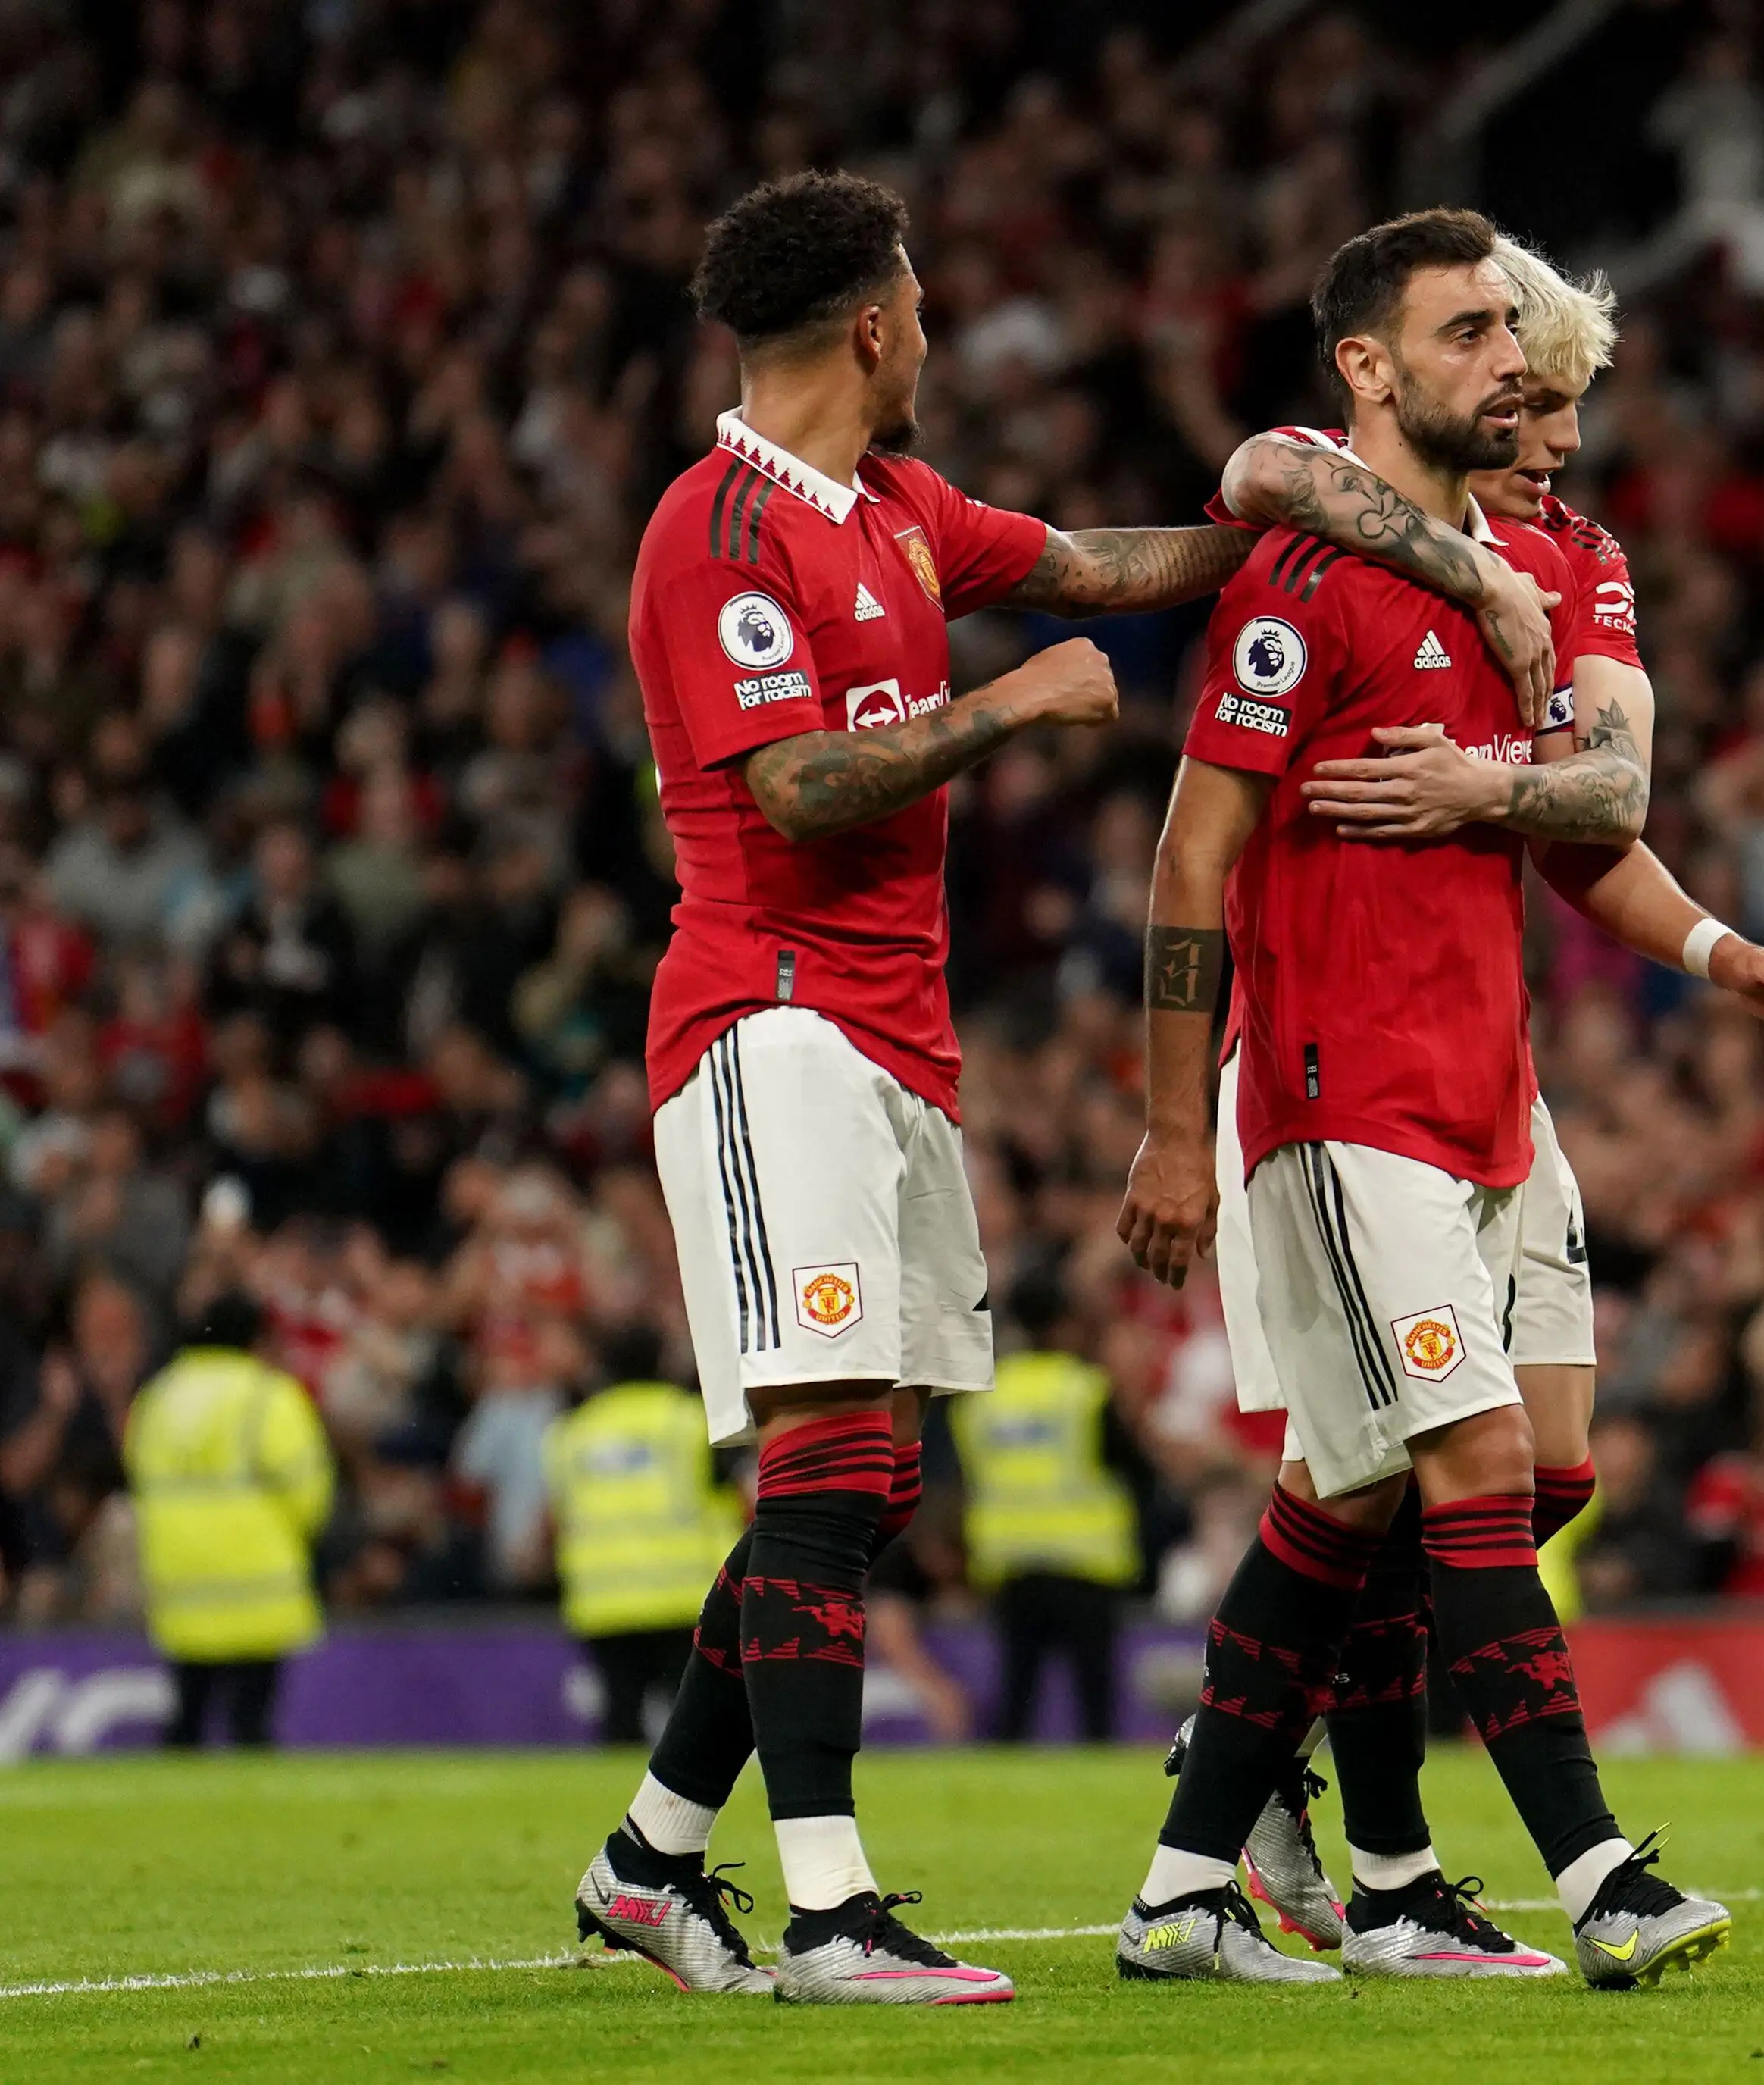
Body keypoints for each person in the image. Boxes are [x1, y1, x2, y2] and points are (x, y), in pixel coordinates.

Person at [568, 168, 1253, 2006]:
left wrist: (1269, 520)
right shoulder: (713, 530)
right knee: (823, 1455)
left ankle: (648, 1862)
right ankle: (827, 1911)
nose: (935, 331)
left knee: (863, 1469)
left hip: (894, 1044)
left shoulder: (895, 508)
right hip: (766, 1021)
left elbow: (1101, 568)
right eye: (924, 305)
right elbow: (792, 786)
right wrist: (1011, 709)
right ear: (873, 324)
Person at [1184, 231, 1764, 1965]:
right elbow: (1256, 471)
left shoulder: (1576, 555)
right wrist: (1474, 594)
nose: (1539, 423)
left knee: (1520, 1477)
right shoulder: (1351, 537)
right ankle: (1434, 1862)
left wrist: (1699, 941)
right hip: (1341, 1067)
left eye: (1550, 388)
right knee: (1424, 1473)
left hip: (1490, 1071)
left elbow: (1604, 792)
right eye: (1503, 370)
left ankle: (1244, 1763)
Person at [124, 1291, 332, 1748]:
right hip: (257, 1583)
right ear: (257, 1341)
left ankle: (172, 1811)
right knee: (251, 1722)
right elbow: (309, 1490)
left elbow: (137, 1472)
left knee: (187, 1716)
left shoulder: (159, 1395)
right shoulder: (267, 1396)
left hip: (180, 1581)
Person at [955, 1281, 1143, 1742]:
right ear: (1064, 1325)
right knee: (1094, 1699)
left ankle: (1001, 1789)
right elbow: (1131, 1466)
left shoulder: (983, 1399)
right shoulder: (1085, 1389)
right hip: (1084, 1560)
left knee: (1017, 1690)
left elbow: (968, 1477)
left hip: (1011, 1560)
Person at [543, 1323, 738, 1745]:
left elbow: (559, 1517)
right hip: (685, 1596)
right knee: (695, 1722)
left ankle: (622, 1807)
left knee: (621, 1716)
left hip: (603, 1601)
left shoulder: (571, 1432)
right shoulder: (688, 1420)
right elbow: (734, 1496)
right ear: (662, 1361)